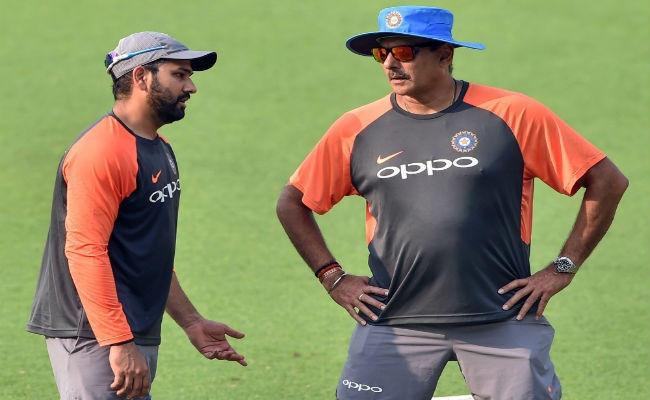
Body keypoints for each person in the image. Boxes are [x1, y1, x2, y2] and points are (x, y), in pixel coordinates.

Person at [276, 6, 628, 399]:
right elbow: (293, 202)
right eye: (382, 53)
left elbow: (607, 181)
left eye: (404, 52)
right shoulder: (357, 128)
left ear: (445, 54)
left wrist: (564, 267)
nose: (390, 63)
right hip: (394, 321)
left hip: (501, 318)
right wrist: (332, 276)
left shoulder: (512, 113)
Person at [27, 31, 247, 400]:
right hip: (94, 335)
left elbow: (147, 253)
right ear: (141, 77)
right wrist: (118, 342)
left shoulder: (158, 148)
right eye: (179, 75)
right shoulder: (102, 152)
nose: (191, 87)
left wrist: (191, 321)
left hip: (130, 332)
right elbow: (84, 251)